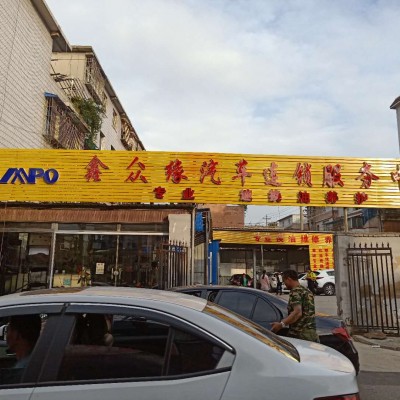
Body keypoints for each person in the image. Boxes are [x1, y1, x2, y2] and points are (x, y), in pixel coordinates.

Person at [270, 269, 319, 342]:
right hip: (312, 334)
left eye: (284, 281)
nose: (284, 284)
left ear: (289, 279)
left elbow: (297, 312)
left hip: (300, 335)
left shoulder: (295, 291)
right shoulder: (307, 291)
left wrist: (281, 324)